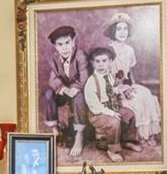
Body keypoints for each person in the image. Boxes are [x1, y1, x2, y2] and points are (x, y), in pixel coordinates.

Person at [103, 13, 163, 141]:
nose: (122, 32)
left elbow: (129, 72)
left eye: (125, 29)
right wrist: (122, 90)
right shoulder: (108, 50)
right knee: (136, 100)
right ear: (113, 31)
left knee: (146, 94)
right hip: (113, 88)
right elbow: (105, 79)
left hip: (126, 84)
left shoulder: (130, 50)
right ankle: (139, 136)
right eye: (119, 29)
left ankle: (148, 134)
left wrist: (132, 86)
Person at [81, 47, 137, 161]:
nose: (101, 64)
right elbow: (94, 105)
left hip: (113, 106)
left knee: (129, 114)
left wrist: (121, 91)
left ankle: (126, 140)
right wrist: (111, 113)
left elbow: (112, 90)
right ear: (92, 63)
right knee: (114, 122)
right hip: (97, 113)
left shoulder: (109, 76)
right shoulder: (91, 82)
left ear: (110, 62)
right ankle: (113, 150)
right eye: (97, 61)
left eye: (104, 61)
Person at [40, 24, 86, 156]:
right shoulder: (54, 59)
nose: (64, 47)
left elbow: (84, 79)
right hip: (64, 92)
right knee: (48, 93)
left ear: (73, 42)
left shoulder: (80, 56)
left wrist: (73, 89)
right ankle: (55, 129)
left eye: (67, 42)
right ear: (55, 47)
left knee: (78, 97)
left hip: (78, 91)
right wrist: (64, 89)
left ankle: (79, 135)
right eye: (60, 44)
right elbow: (52, 80)